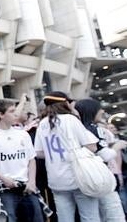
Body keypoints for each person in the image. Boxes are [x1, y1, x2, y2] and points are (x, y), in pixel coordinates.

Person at [34, 91, 101, 222]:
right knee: (90, 217)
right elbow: (92, 146)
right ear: (65, 103)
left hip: (56, 179)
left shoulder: (42, 124)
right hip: (79, 177)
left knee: (65, 218)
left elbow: (39, 152)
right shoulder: (70, 119)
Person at [0, 99, 43, 222]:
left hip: (26, 186)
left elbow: (31, 159)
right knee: (9, 218)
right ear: (1, 114)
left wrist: (32, 181)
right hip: (4, 188)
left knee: (36, 217)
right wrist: (4, 178)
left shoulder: (23, 135)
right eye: (12, 111)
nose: (16, 114)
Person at [75, 98, 127, 222]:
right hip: (101, 177)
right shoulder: (95, 130)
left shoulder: (76, 129)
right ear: (92, 111)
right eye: (99, 109)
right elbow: (105, 155)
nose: (102, 111)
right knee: (114, 213)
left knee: (90, 217)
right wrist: (117, 146)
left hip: (83, 179)